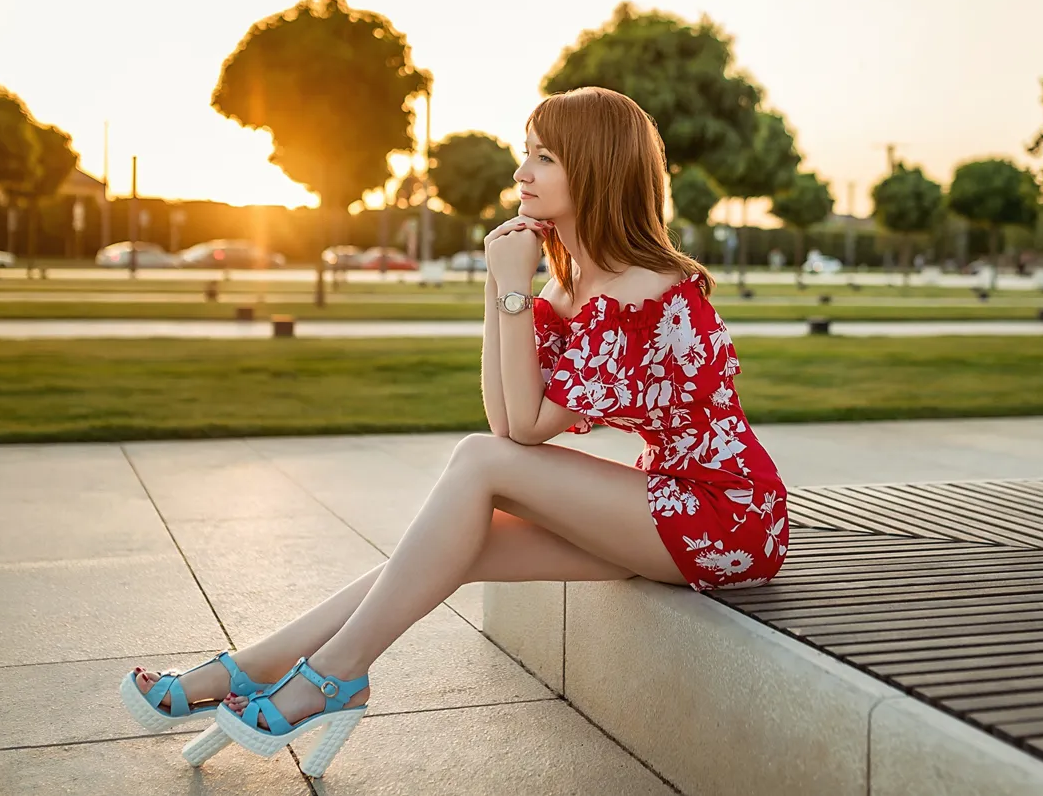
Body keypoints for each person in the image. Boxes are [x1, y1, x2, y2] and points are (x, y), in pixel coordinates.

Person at [118, 86, 789, 777]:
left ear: (595, 170)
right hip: (665, 505)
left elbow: (519, 433)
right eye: (525, 154)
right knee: (452, 545)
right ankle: (249, 669)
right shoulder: (573, 288)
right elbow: (507, 419)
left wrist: (510, 289)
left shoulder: (640, 288)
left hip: (728, 514)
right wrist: (505, 293)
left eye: (545, 157)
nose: (522, 173)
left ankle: (334, 674)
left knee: (476, 465)